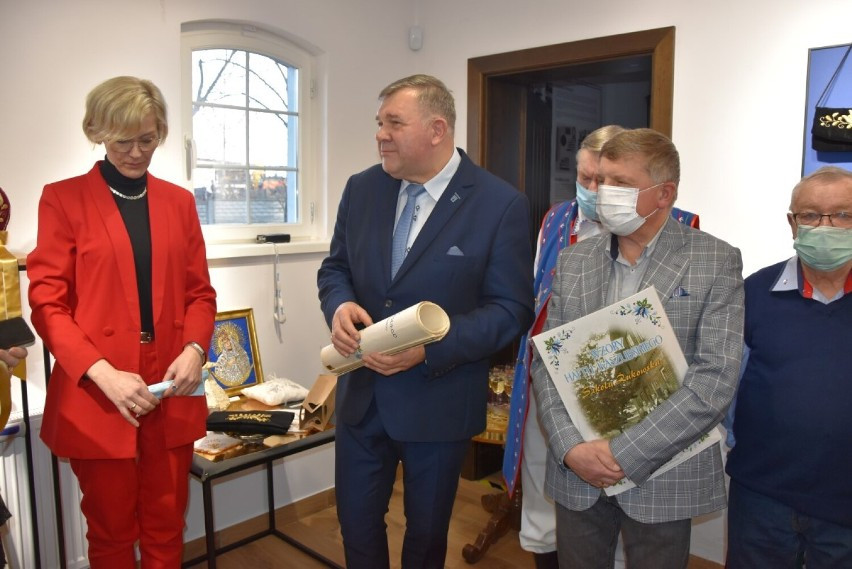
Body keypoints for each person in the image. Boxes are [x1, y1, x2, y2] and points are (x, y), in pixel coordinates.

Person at [317, 74, 534, 569]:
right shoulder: (362, 188)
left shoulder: (499, 204)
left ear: (437, 130)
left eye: (394, 123)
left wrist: (429, 350)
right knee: (356, 526)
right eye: (379, 123)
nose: (380, 135)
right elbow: (335, 268)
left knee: (427, 538)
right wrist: (339, 305)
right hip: (362, 399)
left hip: (439, 401)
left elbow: (511, 310)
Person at [529, 128, 743, 569]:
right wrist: (571, 448)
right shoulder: (574, 259)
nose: (602, 192)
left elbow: (715, 378)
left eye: (621, 183)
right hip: (578, 473)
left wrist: (624, 454)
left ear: (664, 193)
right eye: (600, 180)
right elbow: (548, 362)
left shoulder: (715, 260)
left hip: (663, 472)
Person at [27, 76, 217, 569]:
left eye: (147, 140)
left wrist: (195, 350)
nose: (136, 153)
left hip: (171, 381)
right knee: (110, 531)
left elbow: (200, 293)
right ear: (98, 133)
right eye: (123, 140)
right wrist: (100, 372)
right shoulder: (63, 199)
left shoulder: (179, 202)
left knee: (166, 522)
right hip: (99, 384)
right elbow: (47, 302)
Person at [725, 166, 852, 569]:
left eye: (843, 215)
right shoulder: (753, 292)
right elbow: (727, 385)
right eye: (811, 215)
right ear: (792, 224)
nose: (826, 226)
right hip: (761, 497)